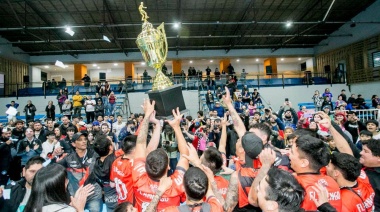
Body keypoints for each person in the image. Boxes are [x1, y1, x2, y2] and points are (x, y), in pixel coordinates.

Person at [132, 101, 190, 211]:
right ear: (168, 167)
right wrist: (176, 127)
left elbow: (140, 143)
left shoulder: (139, 178)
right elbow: (185, 155)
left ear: (145, 166)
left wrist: (147, 115)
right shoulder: (176, 185)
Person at [51, 132, 103, 212]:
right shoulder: (69, 158)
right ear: (74, 144)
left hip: (93, 194)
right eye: (80, 140)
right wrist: (54, 155)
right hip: (76, 196)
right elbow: (54, 168)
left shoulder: (95, 154)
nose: (84, 141)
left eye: (85, 139)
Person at [24, 163, 94, 212]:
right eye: (66, 180)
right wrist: (80, 209)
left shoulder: (30, 208)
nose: (68, 181)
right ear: (59, 186)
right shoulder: (67, 210)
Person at [359, 139, 380, 210]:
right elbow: (345, 146)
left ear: (378, 158)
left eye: (366, 151)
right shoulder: (358, 164)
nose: (361, 153)